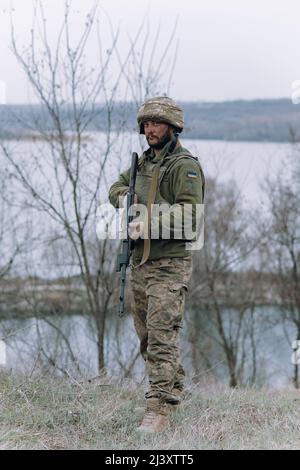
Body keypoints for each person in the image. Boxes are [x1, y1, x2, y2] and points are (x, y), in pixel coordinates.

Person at [108, 96, 205, 433]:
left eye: (157, 123)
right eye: (146, 123)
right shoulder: (144, 162)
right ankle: (174, 390)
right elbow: (116, 187)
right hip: (141, 261)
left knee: (163, 337)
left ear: (173, 127)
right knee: (148, 338)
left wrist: (147, 222)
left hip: (170, 264)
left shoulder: (184, 166)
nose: (150, 128)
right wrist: (126, 198)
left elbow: (191, 217)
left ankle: (159, 410)